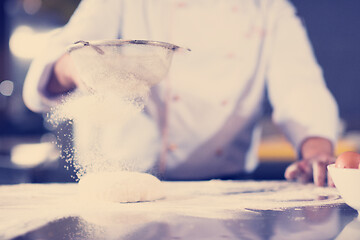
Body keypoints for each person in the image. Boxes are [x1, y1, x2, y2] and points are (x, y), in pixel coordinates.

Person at [23, 0, 339, 186]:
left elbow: (299, 84)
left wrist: (317, 149)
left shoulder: (268, 8)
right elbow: (62, 56)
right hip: (116, 188)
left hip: (223, 192)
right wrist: (80, 69)